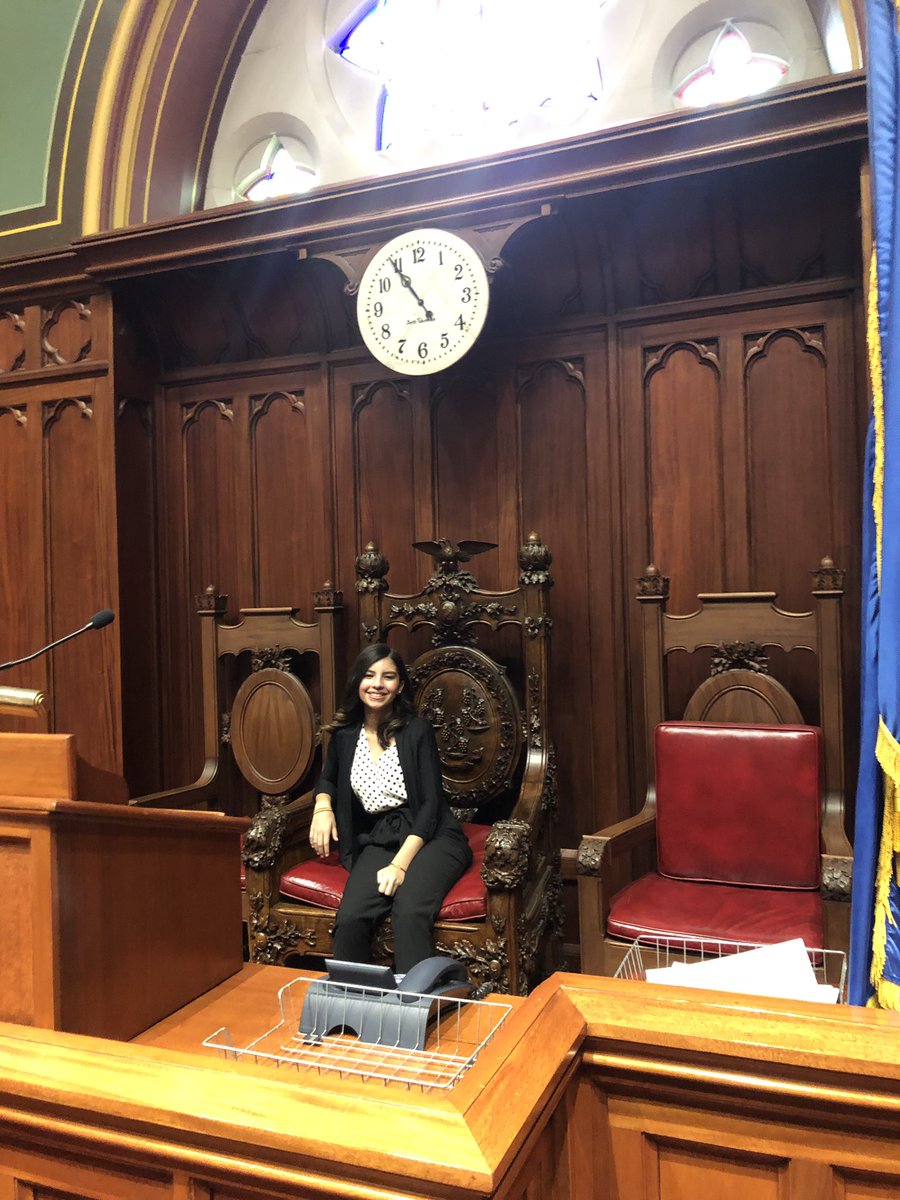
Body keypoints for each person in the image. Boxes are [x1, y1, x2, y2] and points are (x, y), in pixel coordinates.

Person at [309, 643, 473, 973]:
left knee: (410, 910)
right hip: (377, 837)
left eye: (388, 676)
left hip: (432, 837)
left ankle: (416, 1010)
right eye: (369, 675)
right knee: (352, 916)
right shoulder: (344, 735)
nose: (377, 684)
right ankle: (353, 1006)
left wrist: (399, 867)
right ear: (358, 681)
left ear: (399, 686)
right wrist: (322, 808)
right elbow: (327, 780)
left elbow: (429, 805)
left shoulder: (417, 731)